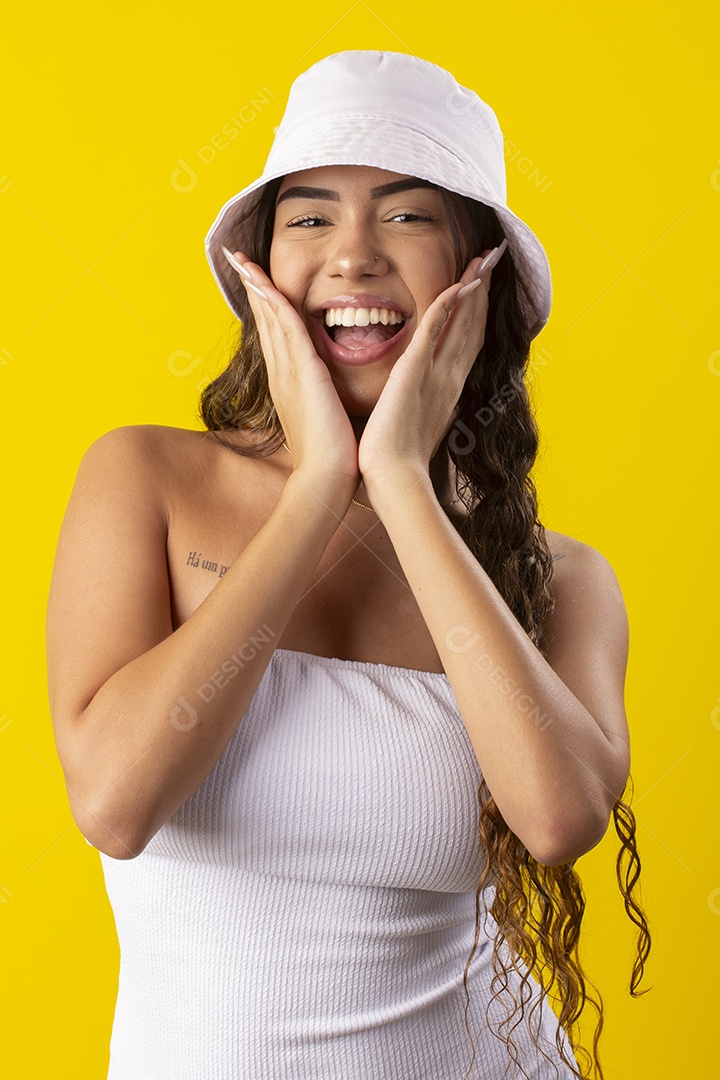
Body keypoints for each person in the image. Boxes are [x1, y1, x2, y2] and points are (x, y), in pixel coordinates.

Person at [46, 51, 649, 1079]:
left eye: (410, 217)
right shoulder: (143, 478)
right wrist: (320, 480)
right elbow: (115, 801)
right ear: (261, 267)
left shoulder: (564, 579)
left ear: (478, 280)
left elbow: (555, 821)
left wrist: (404, 487)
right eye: (312, 217)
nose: (355, 256)